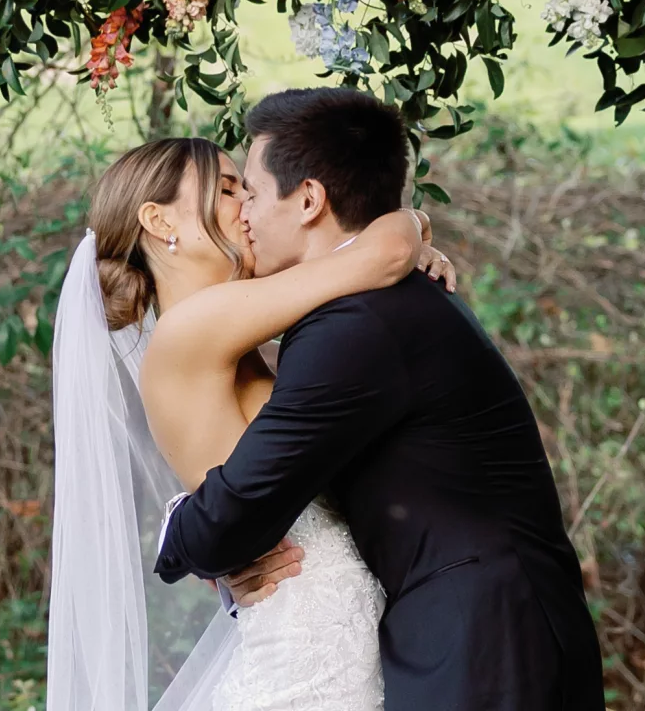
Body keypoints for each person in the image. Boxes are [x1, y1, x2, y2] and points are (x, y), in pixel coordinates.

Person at [153, 88, 607, 710]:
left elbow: (242, 507)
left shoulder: (355, 326)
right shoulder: (369, 302)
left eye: (251, 192)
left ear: (309, 200)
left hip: (487, 640)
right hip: (473, 626)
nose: (246, 215)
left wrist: (178, 536)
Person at [47, 134, 453, 711]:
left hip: (327, 646)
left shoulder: (230, 327)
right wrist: (414, 222)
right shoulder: (196, 326)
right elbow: (380, 254)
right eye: (228, 189)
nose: (248, 205)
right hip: (305, 664)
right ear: (160, 220)